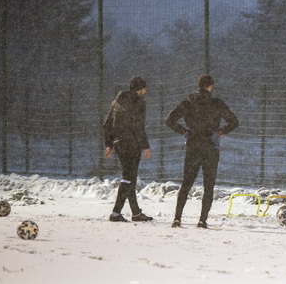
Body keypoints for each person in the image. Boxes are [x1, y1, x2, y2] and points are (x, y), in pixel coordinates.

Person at [165, 74, 239, 229]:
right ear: (211, 87)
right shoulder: (217, 103)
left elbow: (170, 120)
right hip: (210, 147)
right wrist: (219, 132)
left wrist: (184, 131)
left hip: (193, 145)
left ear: (198, 86)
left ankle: (177, 218)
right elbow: (234, 121)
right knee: (208, 185)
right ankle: (202, 220)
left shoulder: (188, 101)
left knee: (186, 183)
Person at [102, 76, 153, 222]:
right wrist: (146, 146)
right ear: (139, 89)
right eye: (144, 88)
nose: (146, 91)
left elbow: (107, 125)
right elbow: (138, 126)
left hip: (119, 144)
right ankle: (116, 213)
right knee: (128, 178)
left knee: (129, 177)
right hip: (132, 144)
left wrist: (109, 144)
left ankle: (136, 213)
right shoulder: (139, 102)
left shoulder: (116, 101)